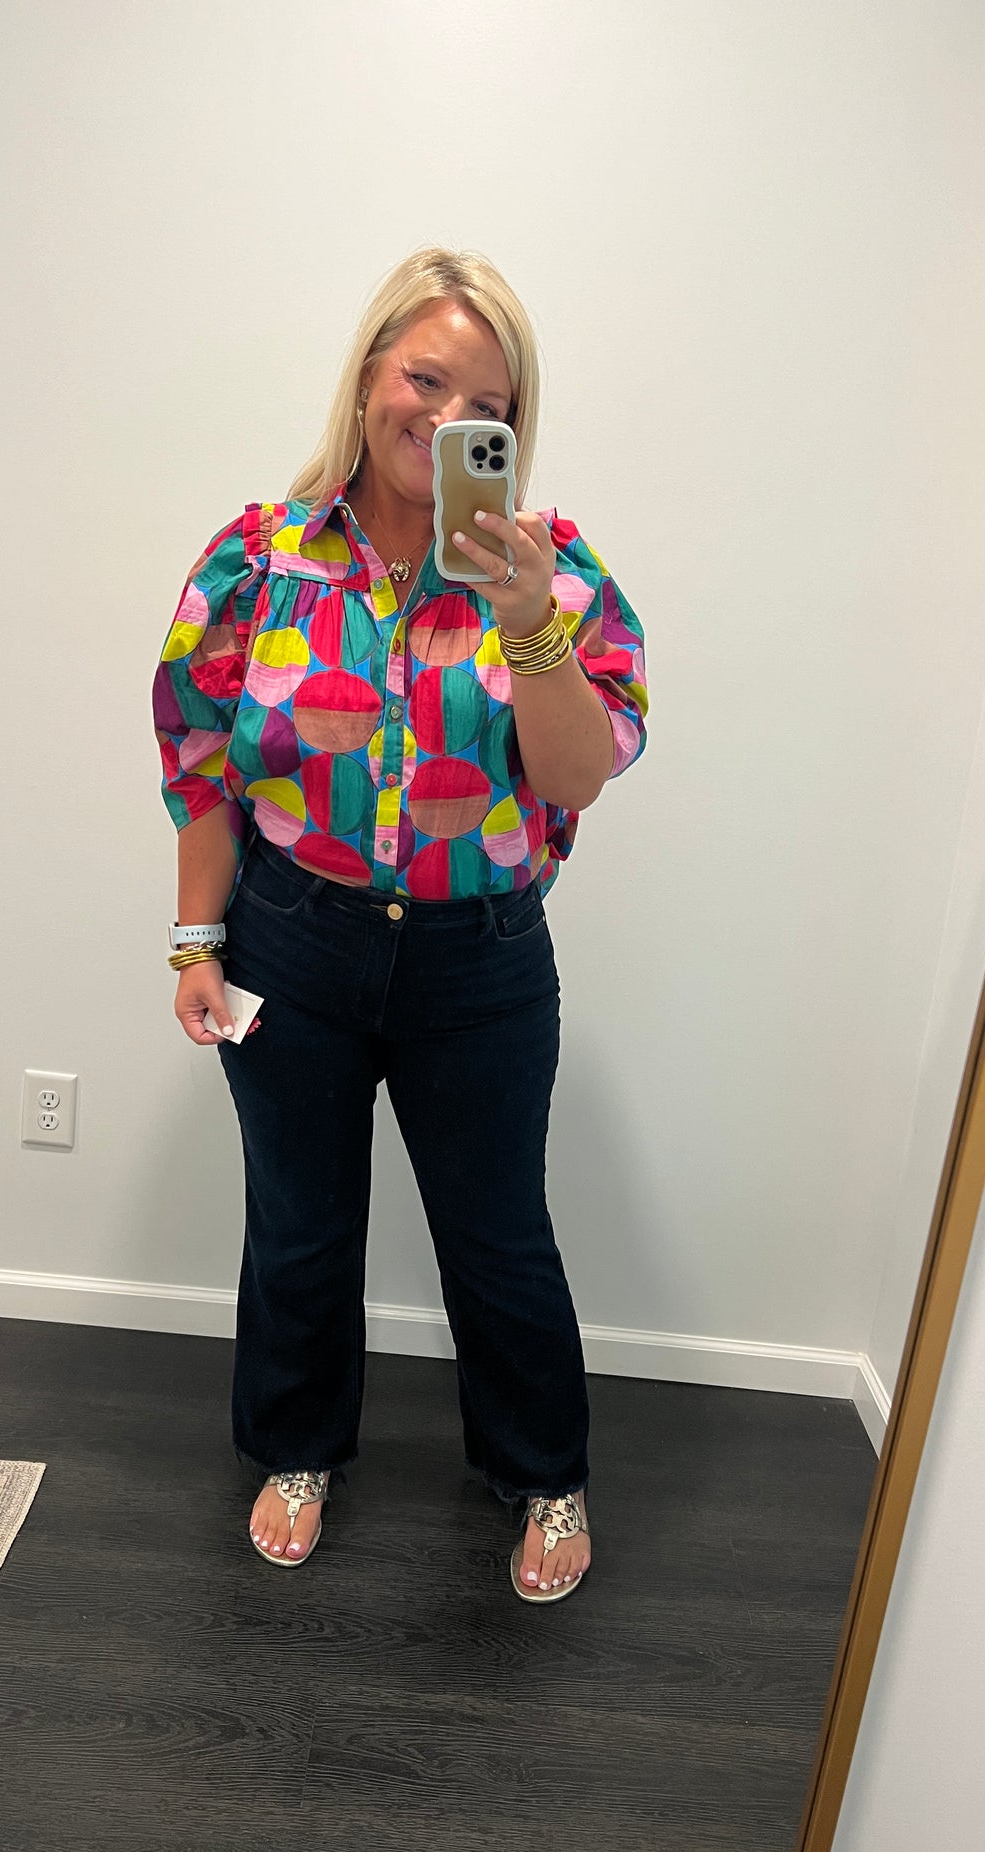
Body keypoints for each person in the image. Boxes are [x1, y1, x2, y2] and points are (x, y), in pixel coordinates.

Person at [151, 246, 648, 1602]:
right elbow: (201, 764)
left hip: (477, 961)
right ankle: (296, 1448)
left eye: (485, 404)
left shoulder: (554, 573)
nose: (444, 417)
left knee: (497, 1235)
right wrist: (196, 942)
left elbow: (576, 776)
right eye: (425, 379)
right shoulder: (259, 561)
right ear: (370, 372)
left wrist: (525, 622)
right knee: (299, 1223)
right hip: (292, 940)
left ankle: (544, 1472)